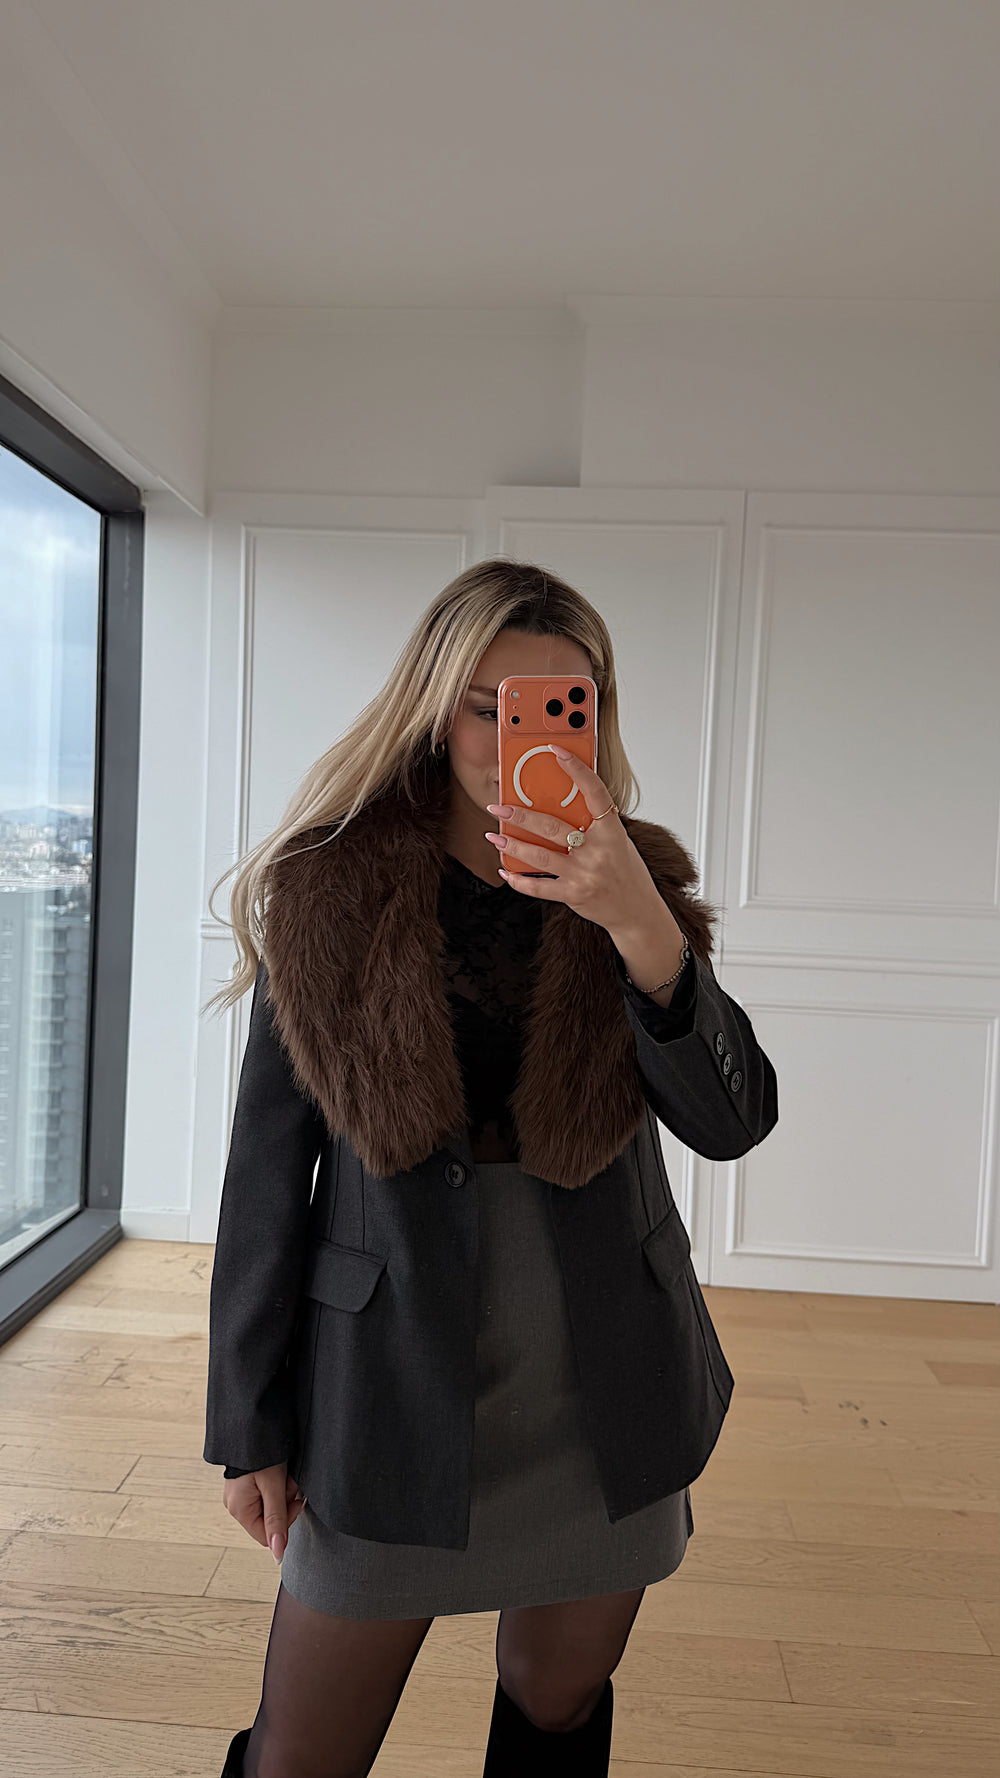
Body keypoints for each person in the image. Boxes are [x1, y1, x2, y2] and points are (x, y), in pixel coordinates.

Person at [201, 558, 779, 1777]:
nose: (526, 736)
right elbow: (264, 1182)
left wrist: (640, 925)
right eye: (491, 706)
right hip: (387, 1381)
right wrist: (247, 1423)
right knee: (303, 1753)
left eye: (569, 705)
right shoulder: (328, 889)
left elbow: (732, 1121)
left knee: (556, 1702)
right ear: (435, 709)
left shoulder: (640, 884)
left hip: (603, 1381)